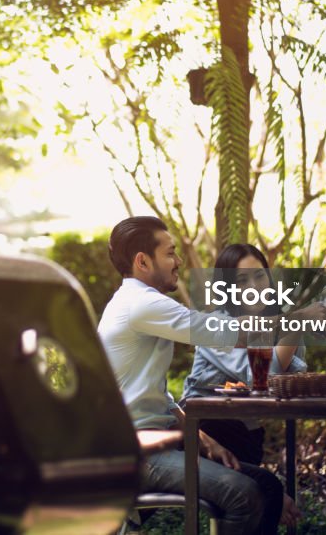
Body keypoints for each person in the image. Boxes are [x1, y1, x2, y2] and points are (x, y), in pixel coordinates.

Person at [97, 217, 302, 533]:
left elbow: (158, 399)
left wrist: (202, 440)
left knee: (265, 483)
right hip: (135, 453)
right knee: (246, 494)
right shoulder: (140, 304)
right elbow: (220, 331)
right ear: (142, 261)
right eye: (170, 253)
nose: (178, 261)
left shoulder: (137, 304)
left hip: (159, 443)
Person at [180, 243, 307, 465]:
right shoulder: (216, 326)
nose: (254, 287)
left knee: (273, 495)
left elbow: (295, 378)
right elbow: (265, 376)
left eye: (259, 276)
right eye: (242, 280)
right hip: (207, 433)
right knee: (276, 497)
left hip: (248, 432)